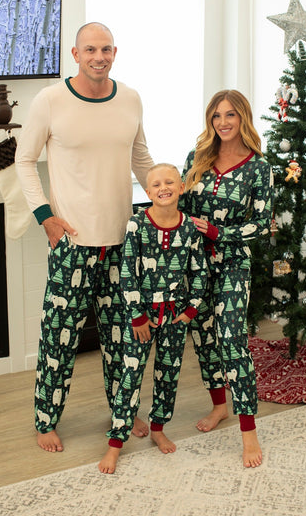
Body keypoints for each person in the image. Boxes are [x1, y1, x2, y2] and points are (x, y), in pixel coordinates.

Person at [15, 22, 154, 452]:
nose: (99, 57)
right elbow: (24, 160)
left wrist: (168, 200)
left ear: (115, 53)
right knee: (59, 340)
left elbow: (141, 158)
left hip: (122, 243)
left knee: (123, 340)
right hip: (72, 245)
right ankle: (45, 420)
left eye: (106, 49)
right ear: (75, 55)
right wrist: (46, 217)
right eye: (90, 49)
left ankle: (123, 413)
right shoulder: (50, 100)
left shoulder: (130, 98)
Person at [180, 90, 274, 468]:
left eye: (230, 115)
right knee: (203, 337)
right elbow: (180, 208)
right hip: (195, 263)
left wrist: (219, 232)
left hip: (233, 262)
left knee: (232, 339)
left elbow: (262, 224)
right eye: (216, 116)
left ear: (243, 118)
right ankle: (220, 405)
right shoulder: (196, 158)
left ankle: (249, 432)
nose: (223, 122)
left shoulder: (258, 167)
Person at [98, 163, 208, 474]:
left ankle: (158, 428)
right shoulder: (137, 225)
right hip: (141, 317)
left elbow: (199, 272)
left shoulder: (189, 228)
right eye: (156, 184)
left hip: (175, 317)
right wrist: (136, 316)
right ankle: (115, 443)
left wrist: (190, 310)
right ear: (148, 192)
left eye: (170, 182)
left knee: (168, 375)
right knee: (130, 377)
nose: (163, 188)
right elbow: (127, 273)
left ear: (181, 187)